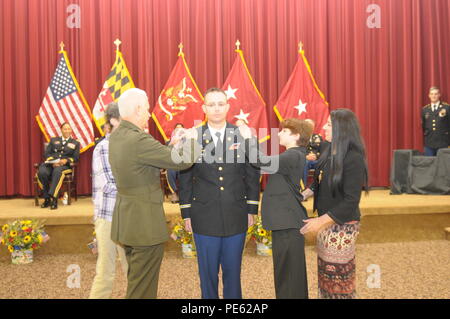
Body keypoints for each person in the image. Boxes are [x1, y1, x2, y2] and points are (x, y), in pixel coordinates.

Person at [108, 88, 200, 299]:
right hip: (144, 224)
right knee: (143, 289)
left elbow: (139, 164)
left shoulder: (117, 136)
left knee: (137, 280)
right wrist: (193, 139)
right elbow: (183, 161)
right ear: (138, 109)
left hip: (127, 219)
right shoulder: (139, 140)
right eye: (147, 109)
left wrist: (168, 150)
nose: (149, 114)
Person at [178, 87, 261, 299]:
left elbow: (252, 172)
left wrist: (251, 208)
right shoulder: (194, 135)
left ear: (227, 107)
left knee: (233, 273)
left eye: (220, 104)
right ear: (204, 108)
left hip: (236, 213)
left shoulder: (241, 134)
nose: (216, 108)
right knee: (207, 274)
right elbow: (185, 176)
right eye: (211, 104)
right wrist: (186, 212)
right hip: (203, 215)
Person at [239, 118, 313, 299]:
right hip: (285, 220)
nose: (279, 134)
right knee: (286, 270)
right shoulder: (294, 155)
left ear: (296, 136)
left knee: (288, 272)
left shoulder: (292, 155)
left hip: (287, 221)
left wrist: (249, 138)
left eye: (285, 131)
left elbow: (260, 161)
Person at [301, 109, 369, 299]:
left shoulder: (353, 157)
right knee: (326, 277)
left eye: (329, 124)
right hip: (326, 224)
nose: (324, 127)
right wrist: (303, 194)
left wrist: (320, 221)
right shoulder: (328, 148)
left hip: (342, 226)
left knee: (339, 281)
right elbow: (318, 181)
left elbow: (351, 201)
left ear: (342, 129)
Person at [89, 102, 128, 299]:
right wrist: (137, 193)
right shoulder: (104, 148)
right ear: (113, 122)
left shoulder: (130, 145)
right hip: (109, 217)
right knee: (105, 272)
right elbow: (109, 185)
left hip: (129, 215)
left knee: (133, 270)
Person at [37, 122, 80, 210]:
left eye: (69, 129)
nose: (67, 131)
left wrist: (66, 161)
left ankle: (53, 199)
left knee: (57, 171)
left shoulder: (75, 143)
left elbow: (75, 158)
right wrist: (52, 161)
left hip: (64, 166)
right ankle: (47, 198)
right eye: (65, 129)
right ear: (61, 130)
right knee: (42, 171)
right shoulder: (53, 140)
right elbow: (46, 154)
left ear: (71, 130)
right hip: (51, 164)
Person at [421, 86, 450, 156]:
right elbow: (424, 125)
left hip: (443, 142)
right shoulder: (425, 109)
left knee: (443, 165)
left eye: (436, 94)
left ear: (439, 95)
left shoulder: (446, 107)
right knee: (429, 164)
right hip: (429, 142)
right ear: (429, 95)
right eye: (432, 94)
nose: (434, 96)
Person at [166, 123, 185, 203]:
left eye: (180, 129)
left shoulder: (188, 141)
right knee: (169, 171)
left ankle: (183, 194)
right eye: (177, 128)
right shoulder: (169, 142)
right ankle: (174, 193)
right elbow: (165, 154)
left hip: (184, 164)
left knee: (185, 171)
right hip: (173, 164)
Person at [303, 119, 323, 185]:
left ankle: (317, 188)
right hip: (305, 160)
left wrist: (316, 156)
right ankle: (303, 188)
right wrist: (306, 157)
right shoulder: (300, 138)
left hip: (316, 161)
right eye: (307, 125)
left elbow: (323, 150)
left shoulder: (318, 137)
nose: (309, 127)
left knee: (325, 163)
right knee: (305, 163)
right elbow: (297, 151)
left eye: (311, 125)